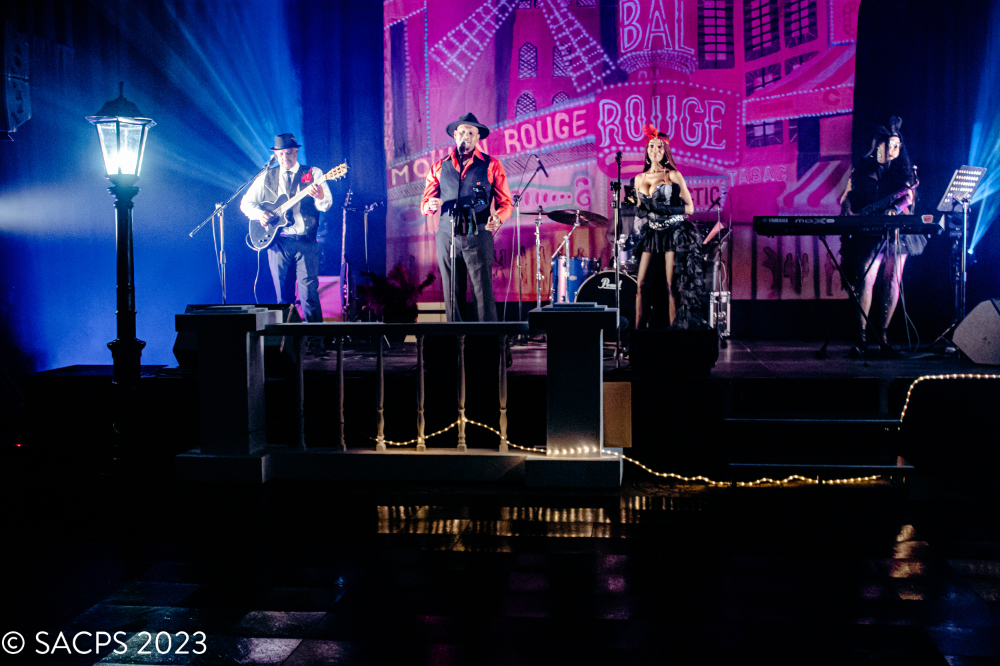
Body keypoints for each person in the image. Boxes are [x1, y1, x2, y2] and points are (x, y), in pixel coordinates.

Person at [838, 116, 923, 356]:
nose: (894, 149)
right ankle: (861, 337)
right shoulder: (863, 167)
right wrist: (846, 207)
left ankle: (883, 335)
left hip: (896, 232)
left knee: (893, 280)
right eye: (890, 144)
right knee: (866, 278)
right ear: (878, 145)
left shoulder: (905, 169)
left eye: (897, 145)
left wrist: (894, 209)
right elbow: (847, 195)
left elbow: (909, 198)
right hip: (869, 230)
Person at [240, 133, 333, 347]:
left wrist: (318, 196)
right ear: (275, 155)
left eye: (289, 153)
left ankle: (317, 342)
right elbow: (246, 203)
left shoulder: (313, 173)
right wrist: (259, 214)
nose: (285, 158)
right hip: (278, 241)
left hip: (306, 241)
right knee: (283, 297)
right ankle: (287, 344)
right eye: (280, 154)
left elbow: (326, 204)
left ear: (296, 152)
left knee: (309, 294)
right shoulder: (267, 176)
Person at [420, 112, 513, 322]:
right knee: (452, 293)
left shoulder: (491, 164)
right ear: (455, 135)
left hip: (478, 234)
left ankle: (487, 339)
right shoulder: (440, 166)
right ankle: (457, 338)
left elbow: (506, 203)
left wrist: (498, 217)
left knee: (482, 292)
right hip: (447, 235)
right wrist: (430, 205)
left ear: (478, 137)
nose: (466, 137)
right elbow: (426, 203)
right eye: (462, 132)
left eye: (471, 133)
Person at [632, 124, 704, 329]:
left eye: (659, 147)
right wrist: (639, 208)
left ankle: (675, 334)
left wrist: (666, 209)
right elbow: (641, 210)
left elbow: (690, 208)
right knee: (641, 284)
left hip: (673, 233)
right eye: (651, 146)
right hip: (652, 233)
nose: (655, 151)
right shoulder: (639, 179)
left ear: (665, 152)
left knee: (671, 285)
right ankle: (637, 334)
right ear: (646, 150)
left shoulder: (672, 175)